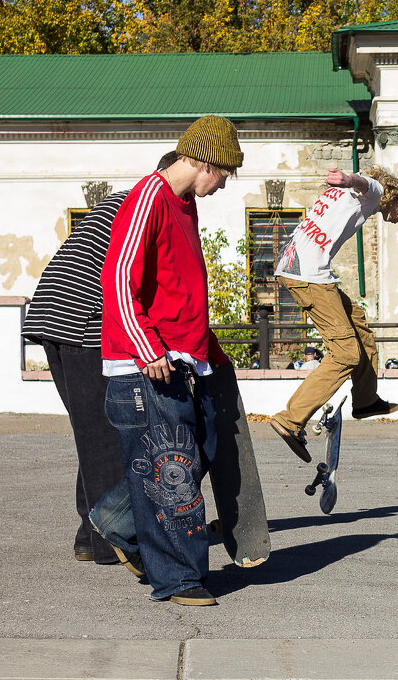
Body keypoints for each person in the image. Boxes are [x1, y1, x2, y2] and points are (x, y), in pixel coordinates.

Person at [99, 114, 243, 607]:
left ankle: (117, 519)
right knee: (171, 468)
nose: (223, 184)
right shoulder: (148, 197)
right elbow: (118, 279)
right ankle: (179, 577)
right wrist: (147, 349)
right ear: (204, 161)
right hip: (149, 365)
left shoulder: (184, 205)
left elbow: (182, 291)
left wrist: (211, 355)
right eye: (223, 173)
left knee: (202, 447)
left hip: (186, 360)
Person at [268, 167, 398, 462]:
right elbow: (365, 183)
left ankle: (366, 400)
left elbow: (360, 181)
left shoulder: (361, 190)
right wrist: (348, 179)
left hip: (301, 267)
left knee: (358, 324)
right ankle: (291, 419)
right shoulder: (377, 190)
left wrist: (349, 180)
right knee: (345, 354)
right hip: (307, 274)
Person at [22, 188, 130, 565]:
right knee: (105, 434)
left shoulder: (122, 200)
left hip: (52, 315)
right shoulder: (150, 205)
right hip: (82, 321)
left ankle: (88, 533)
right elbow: (133, 279)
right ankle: (108, 544)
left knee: (91, 433)